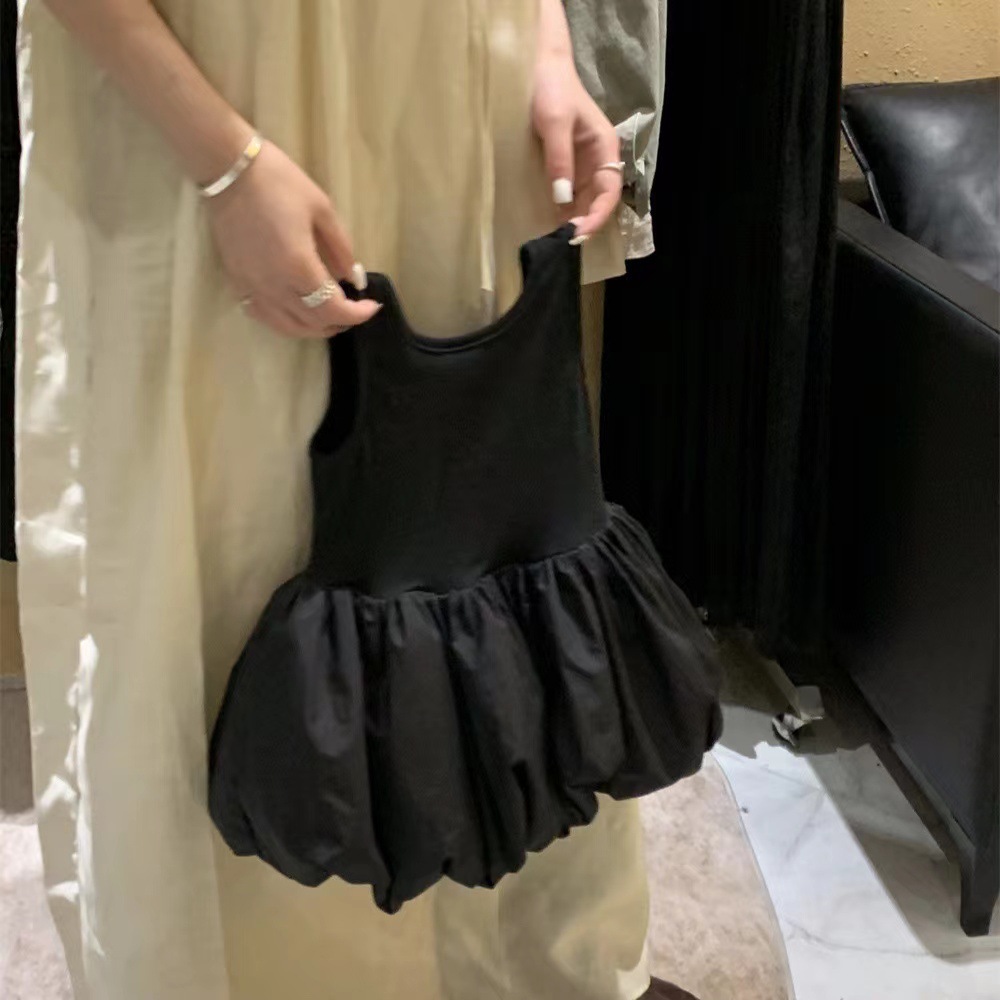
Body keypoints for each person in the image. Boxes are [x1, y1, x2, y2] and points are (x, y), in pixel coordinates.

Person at [15, 1, 695, 997]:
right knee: (232, 553)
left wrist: (550, 45)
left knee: (486, 527)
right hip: (214, 92)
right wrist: (227, 165)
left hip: (466, 85)